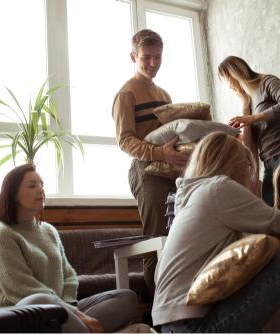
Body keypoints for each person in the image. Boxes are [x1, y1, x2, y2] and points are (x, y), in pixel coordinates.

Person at [152, 132, 280, 333]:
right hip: (195, 327)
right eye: (247, 166)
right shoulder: (219, 188)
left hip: (171, 327)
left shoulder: (188, 200)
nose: (249, 174)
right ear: (236, 164)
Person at [0, 164, 140, 333]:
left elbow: (69, 276)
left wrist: (70, 309)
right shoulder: (0, 234)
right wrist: (77, 315)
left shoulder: (48, 231)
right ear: (12, 194)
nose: (41, 190)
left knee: (126, 298)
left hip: (61, 311)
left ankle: (76, 328)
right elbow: (20, 289)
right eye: (32, 185)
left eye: (42, 184)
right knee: (39, 299)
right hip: (18, 315)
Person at [112, 29, 188, 295]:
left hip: (172, 172)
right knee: (156, 242)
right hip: (145, 172)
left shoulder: (165, 95)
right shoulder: (126, 94)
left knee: (178, 239)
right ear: (133, 56)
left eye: (158, 57)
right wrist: (159, 154)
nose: (153, 63)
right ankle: (158, 315)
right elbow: (124, 140)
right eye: (146, 57)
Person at [218, 55, 280, 207]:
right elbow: (252, 146)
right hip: (269, 162)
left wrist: (254, 118)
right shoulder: (248, 101)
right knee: (271, 213)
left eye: (227, 81)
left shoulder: (267, 82)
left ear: (234, 74)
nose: (229, 87)